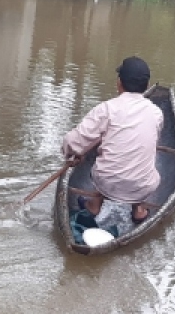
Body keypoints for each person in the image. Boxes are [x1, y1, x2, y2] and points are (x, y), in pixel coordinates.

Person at [61, 56, 164, 229]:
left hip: (108, 183)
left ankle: (94, 206)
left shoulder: (107, 109)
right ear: (146, 86)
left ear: (119, 83)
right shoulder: (156, 113)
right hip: (142, 186)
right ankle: (138, 210)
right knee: (143, 162)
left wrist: (73, 154)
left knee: (99, 160)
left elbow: (73, 142)